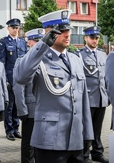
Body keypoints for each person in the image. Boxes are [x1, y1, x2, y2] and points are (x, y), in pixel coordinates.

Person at [14, 9, 94, 163]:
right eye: (62, 30)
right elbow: (21, 77)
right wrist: (43, 44)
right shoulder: (37, 59)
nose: (67, 34)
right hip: (50, 140)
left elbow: (83, 101)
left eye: (68, 30)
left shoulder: (75, 59)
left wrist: (88, 135)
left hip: (76, 139)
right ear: (48, 33)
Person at [76, 26, 108, 163]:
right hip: (88, 98)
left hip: (101, 97)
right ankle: (84, 155)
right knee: (86, 129)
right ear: (85, 38)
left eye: (97, 38)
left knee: (98, 128)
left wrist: (108, 95)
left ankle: (97, 152)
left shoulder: (102, 54)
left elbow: (105, 77)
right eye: (92, 37)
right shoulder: (79, 55)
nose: (95, 40)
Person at [13, 28, 45, 163]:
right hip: (30, 110)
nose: (38, 43)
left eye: (40, 40)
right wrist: (22, 110)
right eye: (35, 41)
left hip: (45, 109)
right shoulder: (22, 61)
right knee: (28, 143)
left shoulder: (47, 59)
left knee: (42, 142)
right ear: (28, 43)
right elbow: (18, 88)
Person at [0, 18, 27, 141]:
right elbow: (1, 62)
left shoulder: (22, 42)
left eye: (17, 28)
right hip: (9, 78)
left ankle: (16, 128)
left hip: (20, 79)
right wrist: (4, 80)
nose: (15, 30)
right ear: (8, 28)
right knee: (9, 106)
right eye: (13, 27)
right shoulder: (3, 42)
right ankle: (9, 130)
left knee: (17, 105)